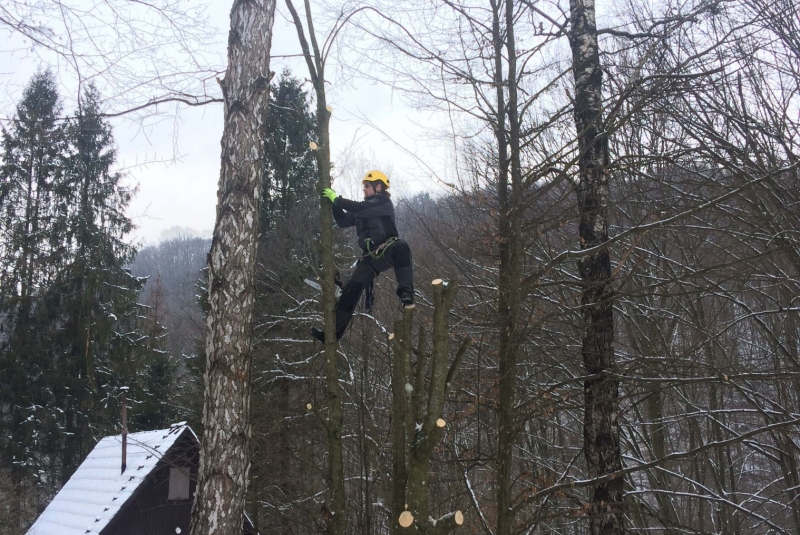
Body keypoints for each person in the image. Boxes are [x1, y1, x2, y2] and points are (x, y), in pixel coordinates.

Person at [311, 170, 414, 343]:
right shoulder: (363, 211)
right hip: (370, 257)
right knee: (351, 291)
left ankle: (406, 294)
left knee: (402, 246)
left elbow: (359, 207)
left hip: (388, 249)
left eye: (367, 186)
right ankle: (333, 334)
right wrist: (335, 205)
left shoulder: (383, 202)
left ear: (378, 187)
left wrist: (337, 199)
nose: (364, 189)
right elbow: (343, 221)